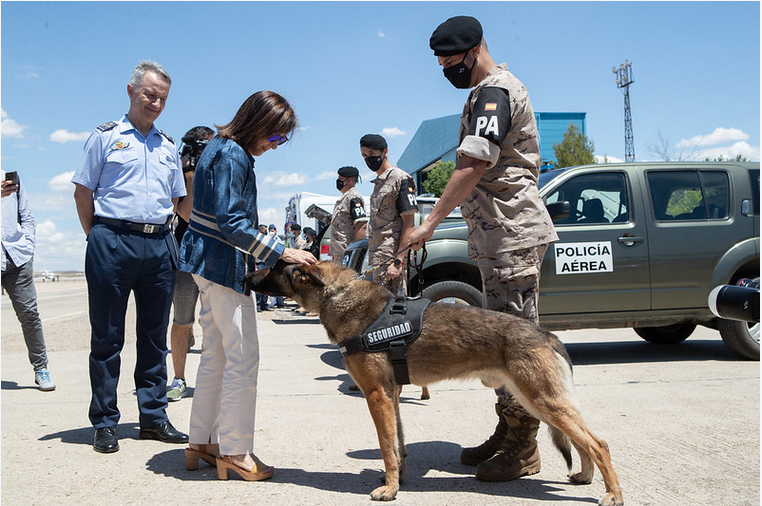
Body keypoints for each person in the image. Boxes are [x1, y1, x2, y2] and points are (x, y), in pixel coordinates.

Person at [408, 16, 559, 482]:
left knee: (514, 344)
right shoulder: (482, 93)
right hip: (498, 238)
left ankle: (522, 446)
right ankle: (509, 429)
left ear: (475, 51)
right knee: (498, 342)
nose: (447, 71)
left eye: (452, 63)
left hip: (511, 236)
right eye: (441, 65)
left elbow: (475, 163)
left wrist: (430, 222)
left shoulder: (495, 91)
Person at [178, 90, 316, 481]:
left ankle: (201, 441)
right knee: (243, 357)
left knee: (216, 356)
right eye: (275, 137)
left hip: (205, 265)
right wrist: (283, 253)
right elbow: (231, 222)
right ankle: (236, 451)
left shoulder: (217, 148)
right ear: (259, 125)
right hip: (222, 266)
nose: (276, 146)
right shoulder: (234, 155)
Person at [72, 60, 189, 454]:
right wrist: (100, 237)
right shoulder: (105, 137)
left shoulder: (168, 145)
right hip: (112, 241)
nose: (156, 103)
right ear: (131, 91)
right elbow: (83, 192)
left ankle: (153, 417)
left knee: (155, 337)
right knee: (107, 337)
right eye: (149, 94)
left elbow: (175, 198)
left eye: (162, 98)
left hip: (158, 244)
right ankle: (105, 422)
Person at [166, 126, 215, 402]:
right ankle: (179, 377)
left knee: (213, 322)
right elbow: (185, 213)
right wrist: (190, 176)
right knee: (182, 321)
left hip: (212, 257)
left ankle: (209, 378)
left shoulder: (218, 173)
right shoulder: (184, 175)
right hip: (186, 256)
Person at [1, 171, 56, 392]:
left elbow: (26, 215)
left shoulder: (11, 176)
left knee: (30, 314)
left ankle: (41, 368)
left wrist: (28, 244)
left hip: (17, 257)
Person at [360, 135, 417, 293]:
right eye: (364, 155)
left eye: (371, 154)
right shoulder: (380, 182)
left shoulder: (400, 178)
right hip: (379, 256)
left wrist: (398, 261)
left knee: (395, 308)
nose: (368, 159)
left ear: (385, 152)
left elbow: (409, 223)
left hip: (392, 256)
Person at [329, 165, 368, 263]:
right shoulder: (344, 198)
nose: (338, 181)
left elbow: (361, 225)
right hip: (340, 254)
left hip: (347, 254)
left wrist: (356, 254)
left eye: (340, 179)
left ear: (349, 180)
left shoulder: (353, 198)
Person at [267, 224, 286, 309]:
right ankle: (275, 302)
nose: (271, 231)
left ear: (276, 231)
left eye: (273, 230)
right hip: (271, 263)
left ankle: (280, 303)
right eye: (270, 230)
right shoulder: (268, 239)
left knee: (279, 283)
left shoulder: (278, 240)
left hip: (277, 263)